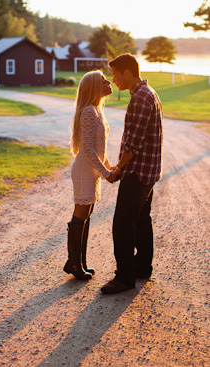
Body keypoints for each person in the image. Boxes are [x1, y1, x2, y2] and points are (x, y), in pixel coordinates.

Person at [101, 53, 163, 294]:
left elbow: (133, 145)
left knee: (122, 224)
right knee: (141, 219)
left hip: (137, 173)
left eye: (116, 76)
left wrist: (118, 168)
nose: (114, 80)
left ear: (128, 72)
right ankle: (142, 267)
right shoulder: (150, 93)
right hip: (149, 171)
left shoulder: (139, 98)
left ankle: (125, 277)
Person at [65, 70, 114, 280]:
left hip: (92, 171)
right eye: (104, 80)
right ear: (95, 87)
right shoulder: (88, 112)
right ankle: (74, 264)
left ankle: (78, 262)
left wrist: (109, 166)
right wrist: (105, 173)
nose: (109, 82)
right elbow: (87, 149)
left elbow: (99, 147)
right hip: (85, 171)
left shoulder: (96, 110)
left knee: (86, 216)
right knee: (80, 216)